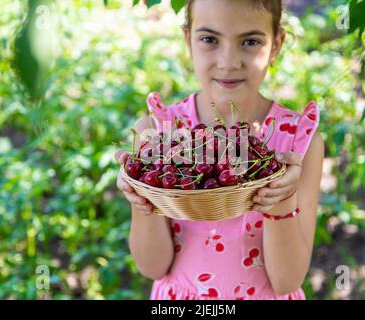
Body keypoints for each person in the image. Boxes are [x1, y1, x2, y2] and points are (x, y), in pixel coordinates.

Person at [115, 0, 324, 300]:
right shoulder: (159, 132)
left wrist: (280, 202)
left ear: (276, 45)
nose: (228, 61)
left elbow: (286, 280)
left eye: (250, 41)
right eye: (210, 39)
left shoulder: (296, 145)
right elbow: (152, 266)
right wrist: (142, 199)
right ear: (188, 40)